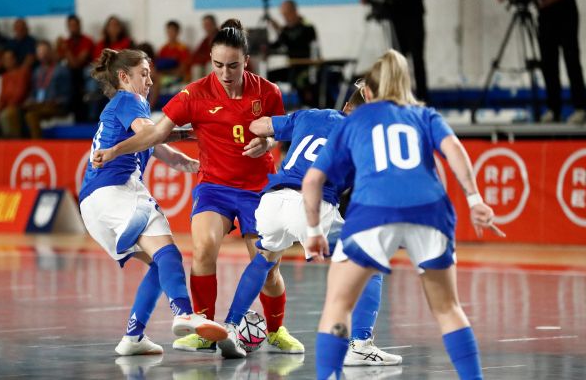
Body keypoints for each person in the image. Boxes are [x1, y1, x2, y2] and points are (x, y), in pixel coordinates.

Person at [91, 19, 295, 355]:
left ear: (246, 61)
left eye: (233, 65)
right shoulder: (195, 93)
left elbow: (278, 134)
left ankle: (276, 331)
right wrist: (114, 150)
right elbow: (155, 134)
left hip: (259, 190)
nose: (225, 73)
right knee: (202, 251)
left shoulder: (268, 92)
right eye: (217, 65)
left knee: (268, 268)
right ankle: (204, 328)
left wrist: (268, 143)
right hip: (214, 187)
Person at [303, 50, 504, 380]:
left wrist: (313, 230)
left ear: (366, 92)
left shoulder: (354, 121)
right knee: (448, 309)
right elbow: (454, 149)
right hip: (430, 211)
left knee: (338, 304)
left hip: (374, 211)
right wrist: (474, 198)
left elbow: (313, 180)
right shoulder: (424, 114)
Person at [215, 88, 400, 367]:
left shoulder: (312, 115)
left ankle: (229, 325)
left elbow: (258, 125)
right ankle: (360, 345)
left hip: (272, 201)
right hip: (310, 206)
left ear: (348, 103)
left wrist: (267, 140)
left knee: (265, 257)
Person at [79, 48, 227, 356]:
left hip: (94, 206)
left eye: (150, 74)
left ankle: (133, 337)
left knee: (161, 266)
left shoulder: (123, 108)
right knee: (169, 252)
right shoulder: (129, 101)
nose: (149, 80)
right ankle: (184, 313)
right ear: (124, 77)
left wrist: (196, 164)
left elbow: (160, 147)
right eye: (143, 74)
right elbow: (149, 133)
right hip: (117, 190)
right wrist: (195, 129)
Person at [537, 0, 586, 123]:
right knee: (548, 63)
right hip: (545, 13)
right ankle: (553, 109)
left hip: (565, 10)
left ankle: (580, 107)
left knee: (571, 60)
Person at [267, 0, 319, 107]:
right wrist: (263, 47)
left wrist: (280, 30)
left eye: (287, 14)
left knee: (302, 83)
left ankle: (307, 105)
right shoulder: (286, 29)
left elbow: (295, 41)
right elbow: (277, 45)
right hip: (292, 67)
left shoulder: (307, 27)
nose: (285, 18)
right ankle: (274, 104)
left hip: (306, 68)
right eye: (283, 15)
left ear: (294, 11)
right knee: (270, 76)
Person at [23, 40, 71, 139]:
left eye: (45, 52)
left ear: (51, 52)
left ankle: (37, 144)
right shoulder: (37, 71)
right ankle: (16, 145)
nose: (43, 55)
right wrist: (30, 101)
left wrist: (55, 102)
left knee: (31, 116)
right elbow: (33, 92)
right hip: (39, 104)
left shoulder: (61, 70)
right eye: (40, 52)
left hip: (55, 106)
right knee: (18, 111)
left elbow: (67, 95)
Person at [385, 0, 429, 102]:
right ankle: (400, 95)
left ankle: (421, 96)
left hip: (412, 11)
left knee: (417, 57)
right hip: (397, 11)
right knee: (399, 58)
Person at [57, 15, 94, 121]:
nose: (73, 28)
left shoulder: (87, 41)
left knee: (74, 74)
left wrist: (66, 50)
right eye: (70, 25)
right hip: (69, 76)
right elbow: (57, 60)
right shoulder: (66, 42)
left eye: (75, 25)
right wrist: (57, 47)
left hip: (83, 75)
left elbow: (77, 64)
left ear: (79, 26)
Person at [190, 14, 219, 79]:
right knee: (196, 68)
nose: (207, 27)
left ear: (214, 24)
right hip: (205, 63)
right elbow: (196, 55)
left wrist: (204, 59)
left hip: (217, 64)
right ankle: (197, 89)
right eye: (205, 25)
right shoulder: (205, 40)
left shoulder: (221, 37)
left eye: (209, 25)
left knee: (210, 65)